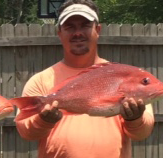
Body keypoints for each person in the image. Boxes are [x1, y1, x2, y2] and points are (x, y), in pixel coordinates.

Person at [15, 0, 154, 157]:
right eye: (70, 27)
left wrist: (135, 119)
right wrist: (44, 120)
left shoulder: (127, 75)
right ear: (59, 33)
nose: (78, 33)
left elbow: (142, 133)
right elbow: (26, 132)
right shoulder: (40, 81)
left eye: (85, 25)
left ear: (98, 29)